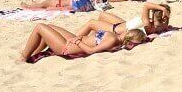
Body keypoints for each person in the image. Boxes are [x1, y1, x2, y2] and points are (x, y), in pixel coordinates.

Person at [18, 23, 148, 63]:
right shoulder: (115, 37)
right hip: (74, 41)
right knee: (50, 27)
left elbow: (91, 51)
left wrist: (78, 41)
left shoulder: (112, 40)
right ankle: (32, 54)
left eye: (128, 31)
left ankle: (24, 57)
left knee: (40, 27)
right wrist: (78, 38)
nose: (125, 30)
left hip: (67, 47)